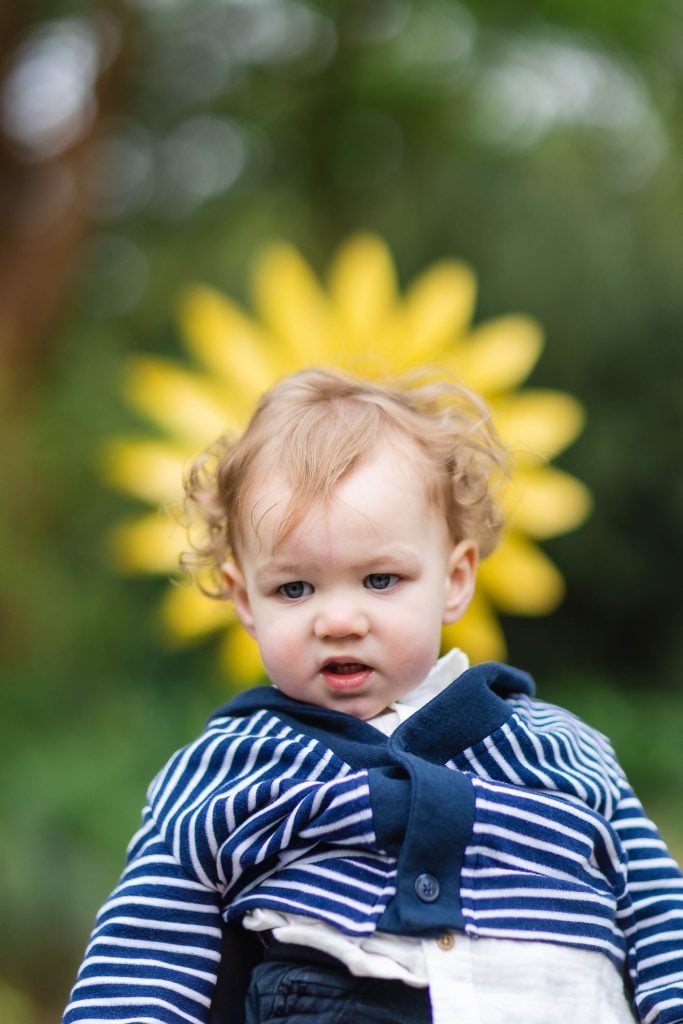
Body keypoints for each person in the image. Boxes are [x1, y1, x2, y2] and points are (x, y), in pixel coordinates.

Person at [63, 368, 683, 1024]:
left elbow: (653, 909)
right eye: (294, 589)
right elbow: (146, 946)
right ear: (245, 600)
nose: (338, 620)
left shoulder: (560, 749)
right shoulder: (227, 769)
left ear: (453, 579)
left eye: (380, 579)